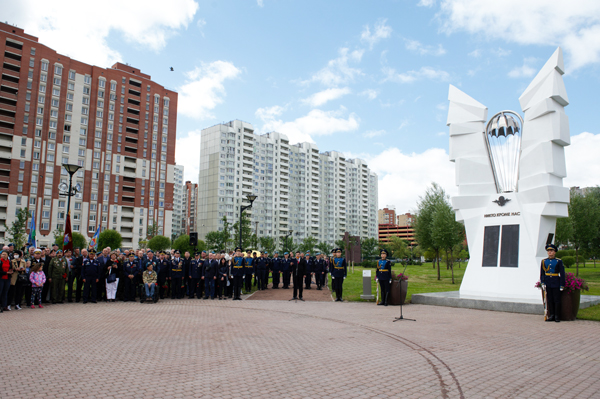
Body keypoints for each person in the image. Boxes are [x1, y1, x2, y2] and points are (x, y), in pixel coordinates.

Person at [540, 244, 565, 322]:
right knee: (550, 299)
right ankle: (552, 315)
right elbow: (542, 273)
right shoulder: (544, 261)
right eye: (548, 251)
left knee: (556, 299)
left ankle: (557, 316)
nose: (550, 252)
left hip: (555, 281)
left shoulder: (558, 261)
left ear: (555, 252)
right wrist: (543, 282)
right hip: (548, 282)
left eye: (551, 251)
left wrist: (561, 284)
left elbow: (562, 273)